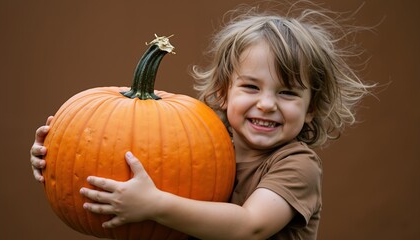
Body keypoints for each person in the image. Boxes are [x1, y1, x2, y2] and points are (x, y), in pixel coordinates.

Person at [30, 1, 374, 239]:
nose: (267, 104)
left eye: (287, 93)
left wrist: (155, 204)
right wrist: (57, 156)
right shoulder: (205, 140)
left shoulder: (297, 166)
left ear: (312, 107)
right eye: (251, 87)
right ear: (224, 92)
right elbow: (116, 159)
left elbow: (249, 227)